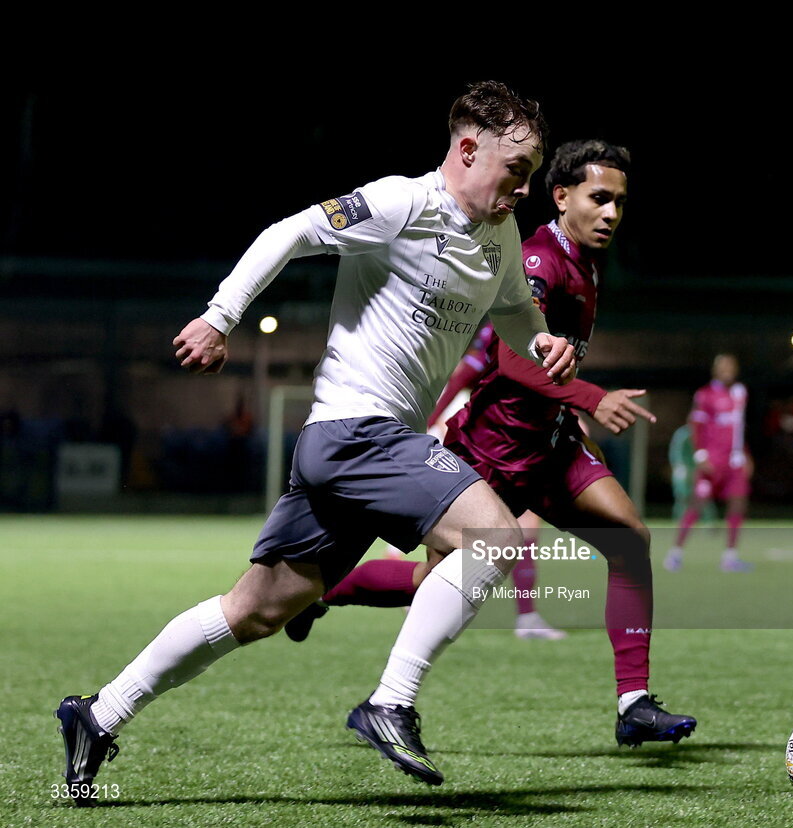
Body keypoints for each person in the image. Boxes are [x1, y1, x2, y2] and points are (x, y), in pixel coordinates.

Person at [53, 81, 576, 807]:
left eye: (531, 173)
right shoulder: (402, 203)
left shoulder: (500, 237)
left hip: (364, 446)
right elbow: (290, 232)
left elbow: (517, 312)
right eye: (516, 170)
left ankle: (98, 713)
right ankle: (391, 702)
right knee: (493, 535)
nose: (524, 188)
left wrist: (542, 339)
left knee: (262, 608)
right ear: (466, 149)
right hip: (357, 429)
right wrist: (220, 316)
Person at [332, 140, 696, 787]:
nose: (612, 213)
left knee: (630, 540)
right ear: (562, 197)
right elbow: (512, 362)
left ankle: (633, 705)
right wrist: (590, 396)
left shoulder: (587, 259)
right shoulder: (538, 259)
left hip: (552, 447)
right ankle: (325, 593)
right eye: (600, 198)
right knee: (430, 589)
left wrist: (572, 411)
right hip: (492, 454)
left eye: (620, 202)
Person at [288, 318, 567, 641]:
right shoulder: (519, 310)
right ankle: (324, 598)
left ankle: (526, 615)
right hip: (476, 443)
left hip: (515, 448)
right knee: (434, 570)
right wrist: (427, 424)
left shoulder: (558, 314)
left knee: (513, 534)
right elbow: (473, 369)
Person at [664, 353, 753, 573]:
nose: (727, 370)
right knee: (696, 505)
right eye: (723, 366)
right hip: (712, 461)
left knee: (738, 504)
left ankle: (730, 558)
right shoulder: (705, 395)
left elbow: (739, 429)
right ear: (715, 370)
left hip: (734, 462)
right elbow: (696, 425)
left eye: (731, 365)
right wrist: (701, 456)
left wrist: (745, 454)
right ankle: (675, 554)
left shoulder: (740, 393)